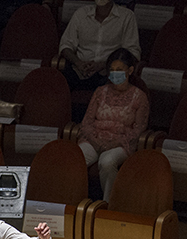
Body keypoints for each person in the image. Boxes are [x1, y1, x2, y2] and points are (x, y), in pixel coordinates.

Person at [77, 47, 148, 202]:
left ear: (129, 70)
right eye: (112, 70)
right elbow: (87, 123)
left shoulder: (139, 97)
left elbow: (138, 130)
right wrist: (97, 141)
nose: (115, 73)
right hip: (95, 140)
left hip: (121, 143)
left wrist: (114, 143)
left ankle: (109, 204)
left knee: (107, 161)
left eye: (119, 70)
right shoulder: (100, 92)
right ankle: (74, 201)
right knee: (76, 157)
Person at [58, 0, 140, 93]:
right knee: (59, 86)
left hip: (109, 73)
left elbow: (132, 53)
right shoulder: (81, 14)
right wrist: (78, 63)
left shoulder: (126, 16)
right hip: (79, 69)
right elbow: (65, 45)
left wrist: (103, 65)